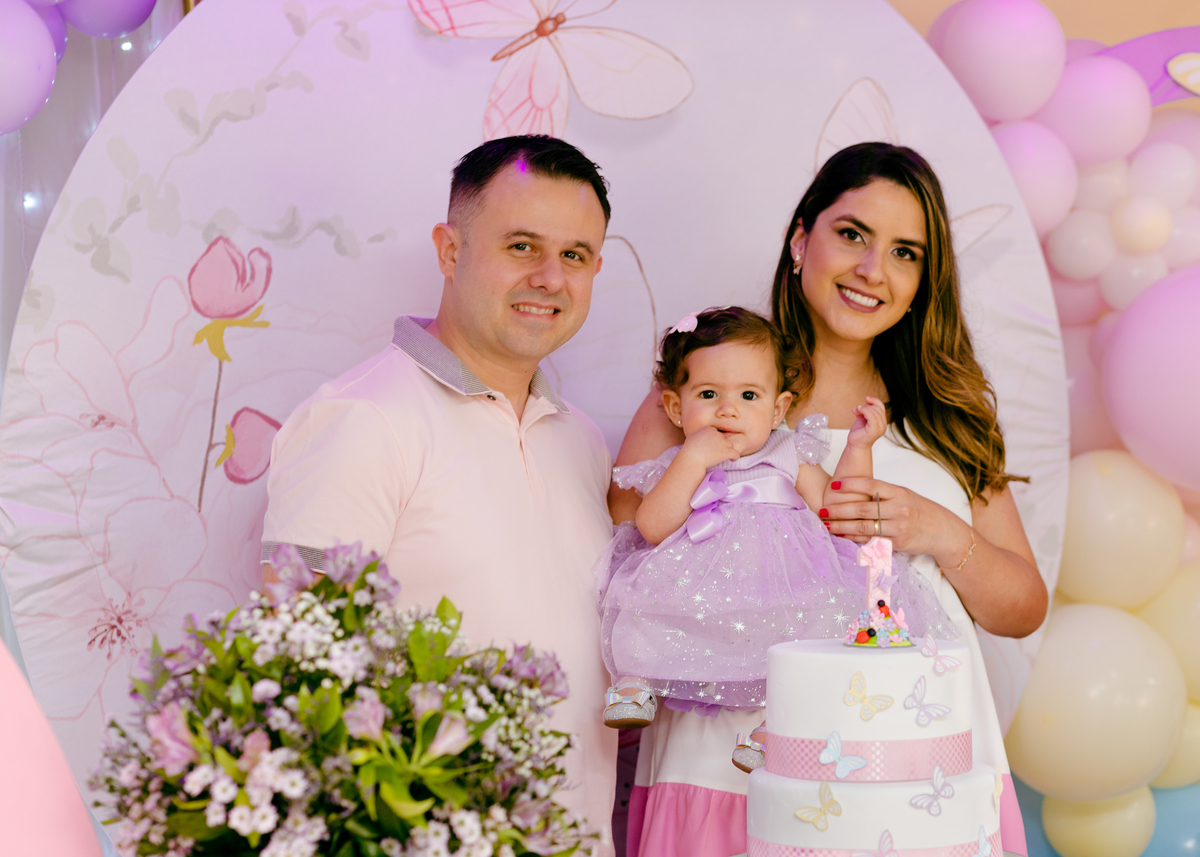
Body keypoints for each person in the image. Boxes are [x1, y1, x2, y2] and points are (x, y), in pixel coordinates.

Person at [612, 143, 1047, 857]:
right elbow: (624, 546)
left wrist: (936, 530)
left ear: (923, 281)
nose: (873, 269)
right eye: (852, 234)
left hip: (908, 768)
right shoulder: (712, 388)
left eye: (905, 252)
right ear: (800, 240)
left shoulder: (945, 416)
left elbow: (1022, 607)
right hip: (721, 765)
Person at [259, 135, 619, 855]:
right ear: (450, 251)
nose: (550, 277)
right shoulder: (363, 419)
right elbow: (293, 679)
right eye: (522, 246)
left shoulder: (580, 440)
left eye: (575, 255)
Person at [597, 307, 953, 737]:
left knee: (821, 630)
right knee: (645, 606)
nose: (728, 411)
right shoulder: (682, 462)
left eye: (749, 396)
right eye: (708, 394)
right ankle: (635, 685)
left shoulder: (786, 451)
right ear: (676, 407)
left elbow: (836, 508)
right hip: (701, 586)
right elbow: (652, 528)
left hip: (782, 582)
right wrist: (692, 459)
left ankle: (778, 728)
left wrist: (859, 447)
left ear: (777, 408)